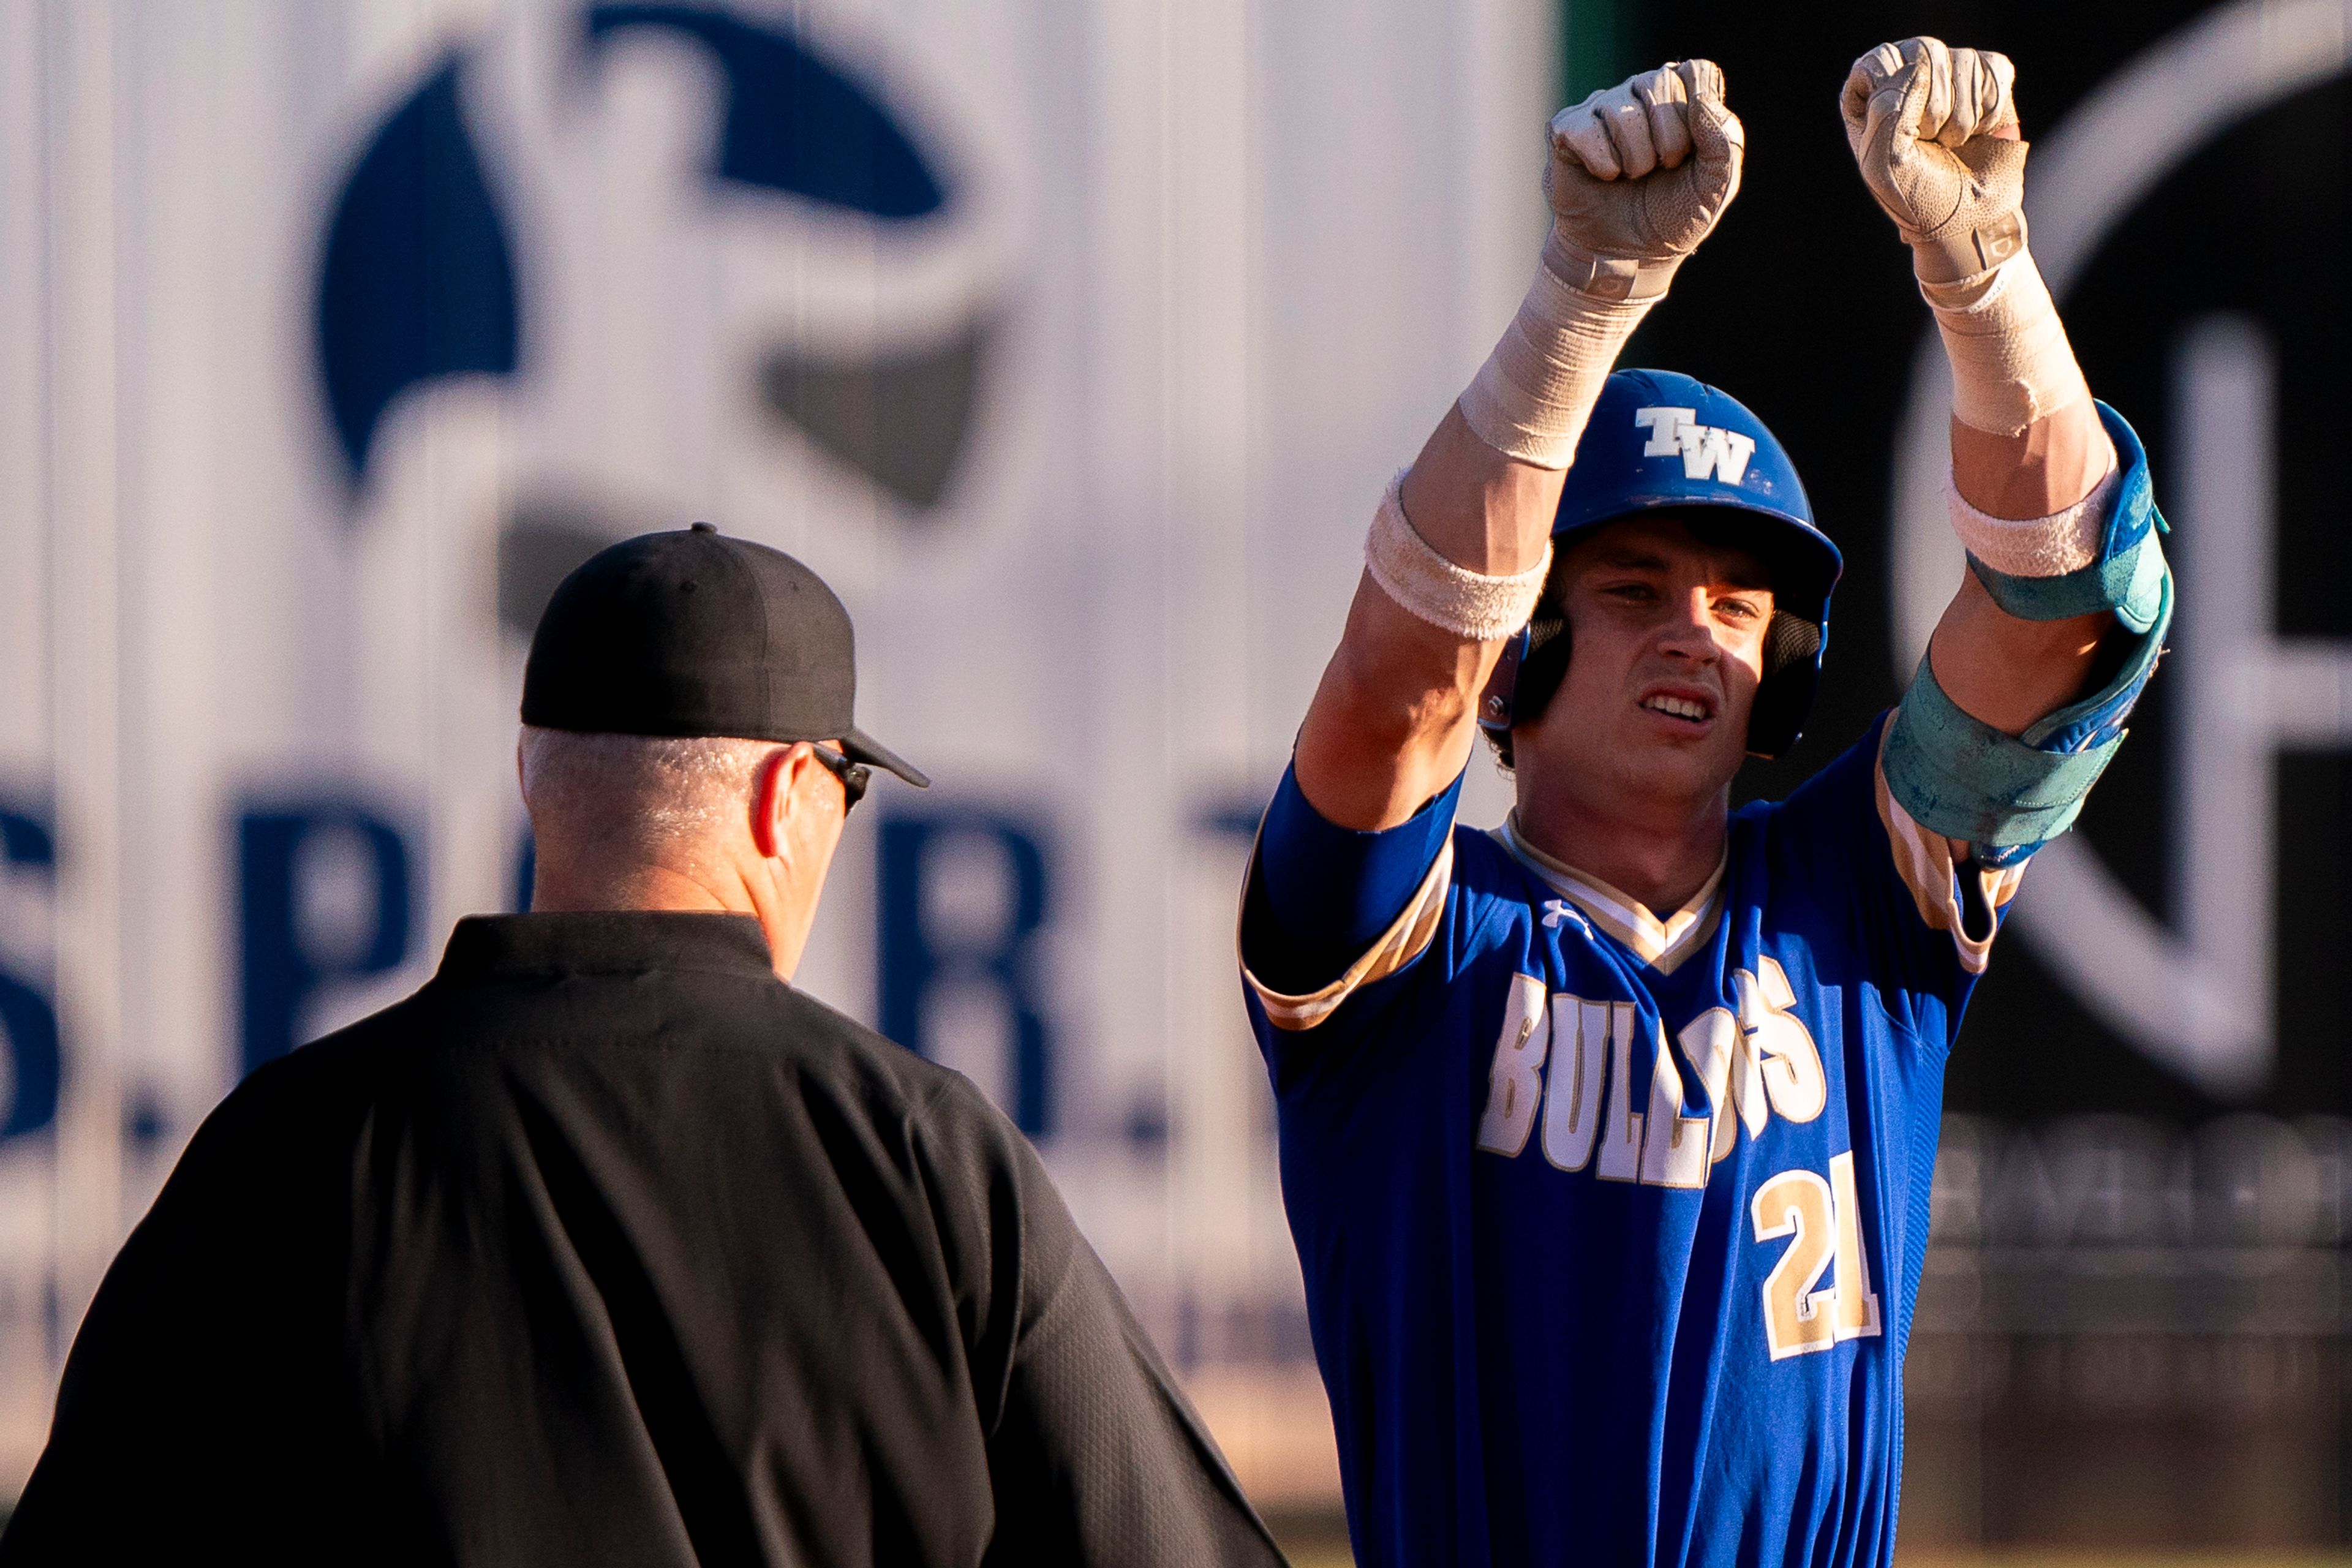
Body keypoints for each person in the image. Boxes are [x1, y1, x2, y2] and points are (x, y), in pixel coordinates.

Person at [1238, 42, 2166, 1567]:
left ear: (1784, 664)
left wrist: (1987, 280)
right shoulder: (1411, 950)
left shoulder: (1857, 895)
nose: (1694, 631)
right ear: (1526, 640)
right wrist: (1578, 304)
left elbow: (2071, 610)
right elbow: (1399, 681)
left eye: (1741, 607)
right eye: (1632, 588)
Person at [2, 525, 1284, 1567]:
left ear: (530, 774)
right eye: (849, 787)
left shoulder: (290, 1145)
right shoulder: (926, 1155)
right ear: (791, 795)